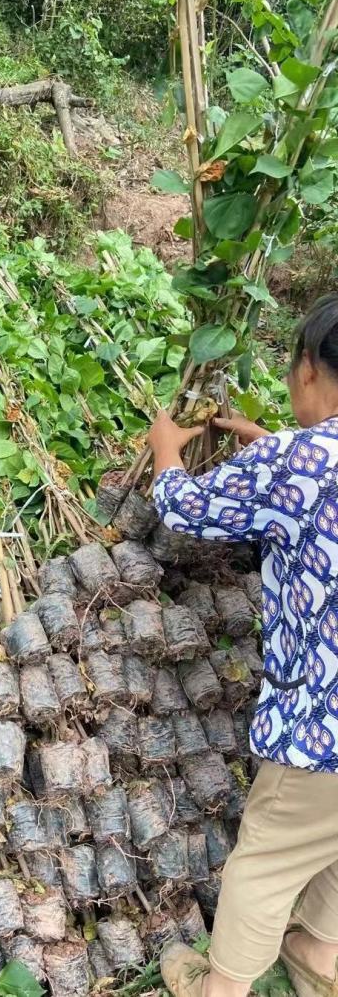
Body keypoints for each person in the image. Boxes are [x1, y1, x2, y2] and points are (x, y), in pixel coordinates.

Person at [147, 295, 338, 997]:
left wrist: (168, 450)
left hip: (324, 728)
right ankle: (318, 953)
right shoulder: (302, 459)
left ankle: (219, 987)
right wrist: (275, 450)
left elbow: (183, 507)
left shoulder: (299, 461)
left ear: (310, 369)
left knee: (266, 858)